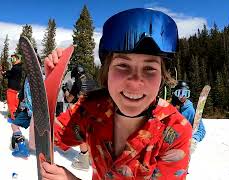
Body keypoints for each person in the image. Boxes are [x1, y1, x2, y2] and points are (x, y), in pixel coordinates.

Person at [41, 8, 192, 179]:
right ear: (107, 71)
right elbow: (38, 140)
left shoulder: (175, 129)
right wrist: (47, 89)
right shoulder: (90, 108)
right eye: (123, 66)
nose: (135, 82)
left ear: (162, 77)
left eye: (149, 69)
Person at [171, 80, 206, 154]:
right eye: (180, 93)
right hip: (168, 146)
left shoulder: (191, 109)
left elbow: (201, 129)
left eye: (186, 93)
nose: (183, 96)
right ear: (174, 93)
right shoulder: (169, 107)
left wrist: (194, 139)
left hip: (183, 146)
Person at [10, 77, 32, 158]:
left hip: (30, 109)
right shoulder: (30, 76)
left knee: (14, 125)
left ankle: (22, 149)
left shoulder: (30, 77)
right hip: (33, 110)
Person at [2, 53, 23, 121]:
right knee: (15, 104)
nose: (12, 61)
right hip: (16, 89)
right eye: (11, 59)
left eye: (13, 59)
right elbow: (11, 73)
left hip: (12, 89)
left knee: (11, 104)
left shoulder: (16, 68)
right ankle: (16, 116)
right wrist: (5, 73)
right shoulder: (17, 67)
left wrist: (6, 73)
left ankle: (14, 119)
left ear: (18, 59)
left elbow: (11, 73)